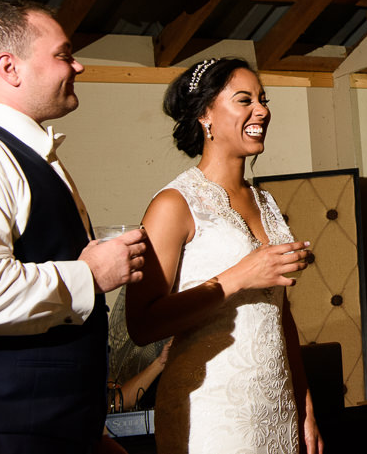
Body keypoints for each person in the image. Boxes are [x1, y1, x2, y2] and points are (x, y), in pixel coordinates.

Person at [0, 0, 147, 453]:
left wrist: (90, 428)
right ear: (9, 68)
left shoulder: (26, 156)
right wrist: (90, 275)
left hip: (54, 429)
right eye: (64, 55)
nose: (79, 66)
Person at [126, 58, 321, 454]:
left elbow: (281, 316)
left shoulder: (266, 202)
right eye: (244, 99)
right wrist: (240, 276)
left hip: (276, 406)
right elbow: (142, 324)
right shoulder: (174, 203)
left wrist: (304, 405)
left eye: (263, 100)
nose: (262, 110)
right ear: (205, 115)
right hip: (211, 412)